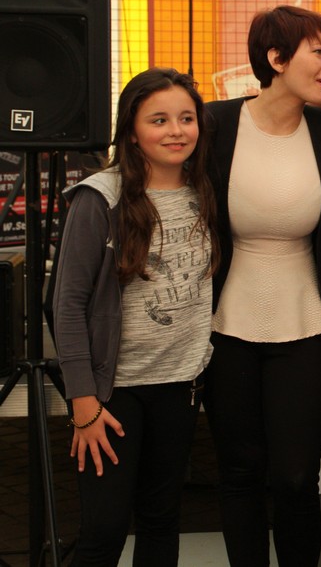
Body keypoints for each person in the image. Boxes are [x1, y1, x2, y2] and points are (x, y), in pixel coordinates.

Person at [52, 67, 218, 566]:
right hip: (113, 394)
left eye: (186, 118)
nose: (176, 131)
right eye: (158, 120)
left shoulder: (205, 190)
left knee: (161, 519)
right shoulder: (99, 198)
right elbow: (68, 305)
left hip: (180, 385)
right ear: (130, 130)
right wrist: (83, 402)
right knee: (103, 529)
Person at [202, 5, 321, 566]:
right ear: (277, 58)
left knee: (296, 475)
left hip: (304, 322)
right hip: (226, 323)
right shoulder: (214, 125)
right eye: (320, 52)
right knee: (239, 471)